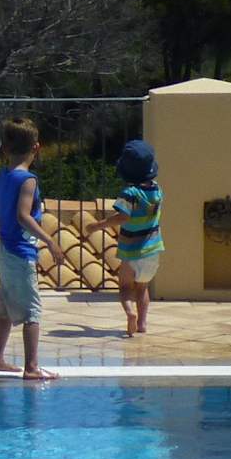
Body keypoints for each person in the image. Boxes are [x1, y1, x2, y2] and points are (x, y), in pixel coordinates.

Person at [0, 117, 64, 382]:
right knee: (32, 311)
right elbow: (23, 216)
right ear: (36, 147)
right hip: (20, 253)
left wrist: (3, 237)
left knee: (5, 309)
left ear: (5, 148)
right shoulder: (28, 180)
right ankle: (31, 367)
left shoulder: (3, 176)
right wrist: (50, 241)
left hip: (5, 250)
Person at [86, 139, 163, 337]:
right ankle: (142, 323)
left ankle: (130, 313)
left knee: (125, 287)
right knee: (143, 287)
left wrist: (98, 225)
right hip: (153, 250)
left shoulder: (129, 193)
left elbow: (123, 216)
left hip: (131, 250)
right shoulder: (156, 190)